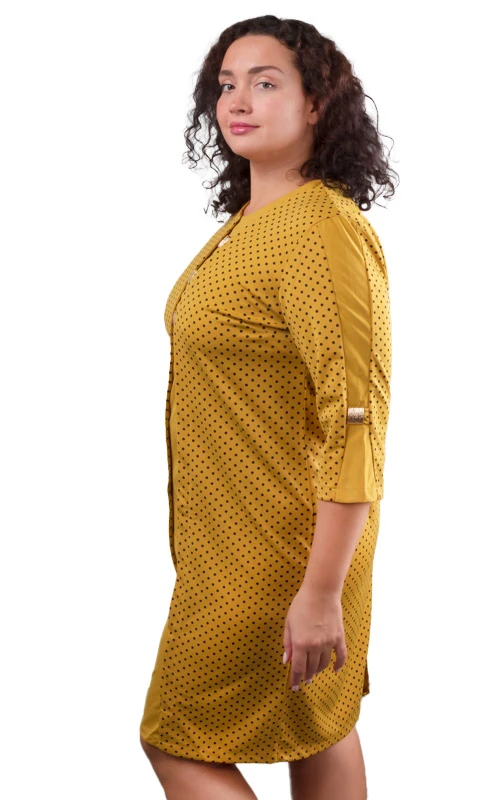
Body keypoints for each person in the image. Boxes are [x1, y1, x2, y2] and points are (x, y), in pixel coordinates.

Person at [139, 14, 397, 800]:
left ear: (317, 103)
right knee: (317, 724)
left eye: (265, 82)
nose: (238, 100)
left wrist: (320, 592)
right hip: (233, 540)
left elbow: (355, 417)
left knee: (175, 740)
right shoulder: (253, 223)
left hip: (288, 553)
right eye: (226, 84)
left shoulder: (318, 228)